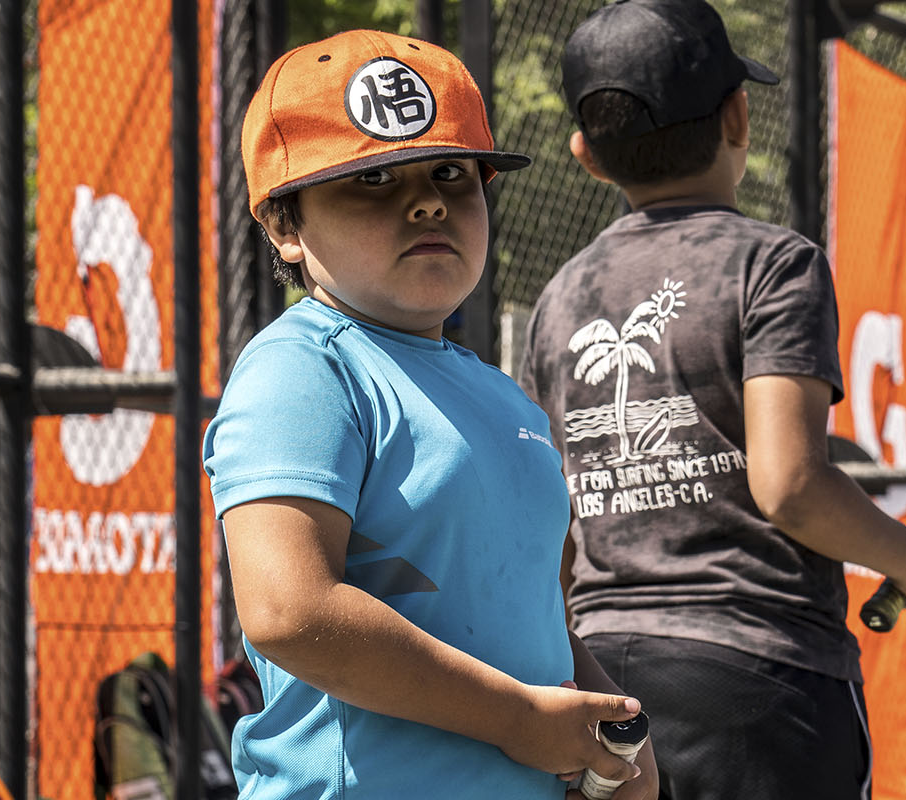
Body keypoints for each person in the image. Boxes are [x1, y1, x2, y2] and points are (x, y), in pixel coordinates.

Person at [517, 1, 906, 796]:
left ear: (584, 154)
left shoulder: (560, 295)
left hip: (596, 678)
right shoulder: (774, 264)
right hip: (760, 679)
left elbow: (547, 519)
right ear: (739, 115)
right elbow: (791, 485)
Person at [204, 29, 655, 799]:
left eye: (452, 172)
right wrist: (518, 719)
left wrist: (619, 743)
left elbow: (533, 616)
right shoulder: (303, 366)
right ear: (284, 223)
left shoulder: (501, 395)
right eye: (373, 178)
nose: (426, 199)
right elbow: (289, 609)